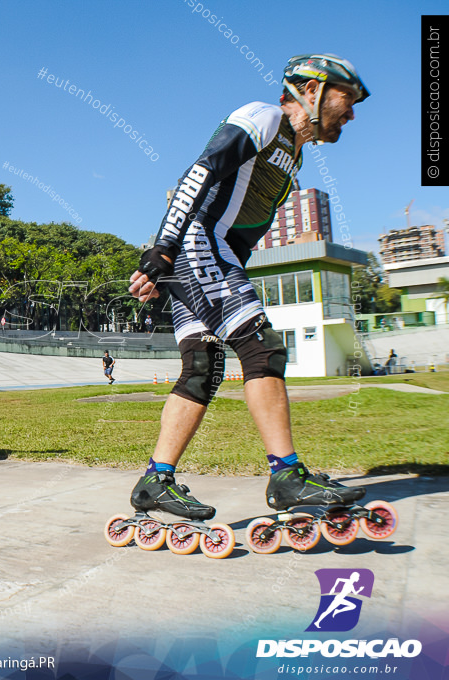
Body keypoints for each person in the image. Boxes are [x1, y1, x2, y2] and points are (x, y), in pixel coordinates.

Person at [126, 54, 369, 521]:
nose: (352, 113)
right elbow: (200, 173)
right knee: (261, 348)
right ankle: (287, 475)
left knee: (203, 366)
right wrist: (165, 252)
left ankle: (155, 481)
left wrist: (174, 277)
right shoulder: (264, 117)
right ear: (313, 91)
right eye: (348, 99)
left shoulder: (293, 156)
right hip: (200, 241)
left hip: (208, 255)